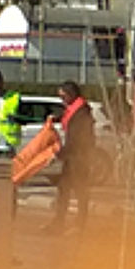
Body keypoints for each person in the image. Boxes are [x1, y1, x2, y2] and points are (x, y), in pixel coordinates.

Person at [49, 80, 97, 233]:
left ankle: (80, 224)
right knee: (64, 189)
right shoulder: (74, 110)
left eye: (63, 97)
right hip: (72, 158)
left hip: (79, 158)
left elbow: (77, 138)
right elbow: (66, 119)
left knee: (80, 191)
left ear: (71, 95)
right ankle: (59, 221)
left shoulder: (82, 113)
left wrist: (62, 152)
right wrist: (54, 119)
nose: (62, 100)